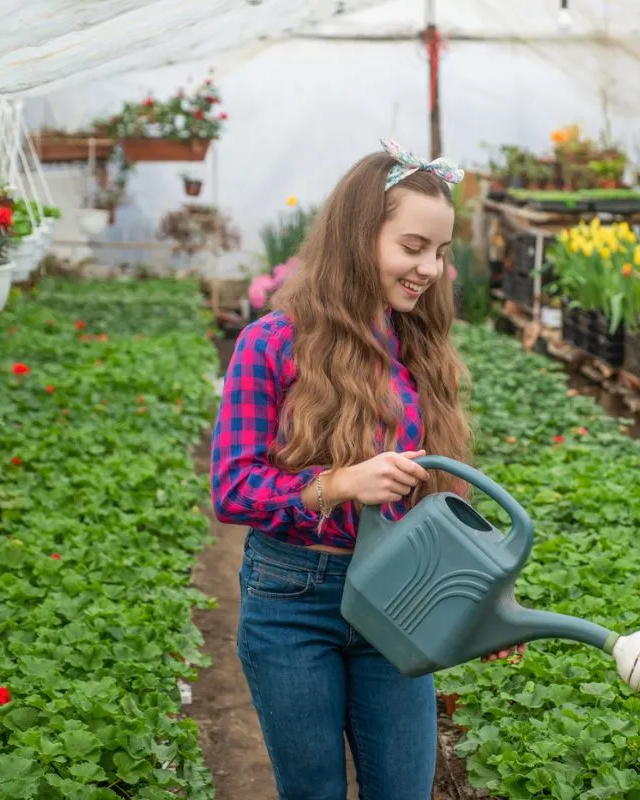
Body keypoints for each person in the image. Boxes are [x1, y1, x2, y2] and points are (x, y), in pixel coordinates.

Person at [210, 139, 523, 799]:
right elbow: (231, 489)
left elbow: (439, 507)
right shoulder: (271, 344)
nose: (430, 269)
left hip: (401, 602)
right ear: (358, 237)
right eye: (412, 248)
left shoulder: (421, 348)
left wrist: (480, 604)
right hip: (293, 600)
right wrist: (337, 484)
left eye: (439, 253)